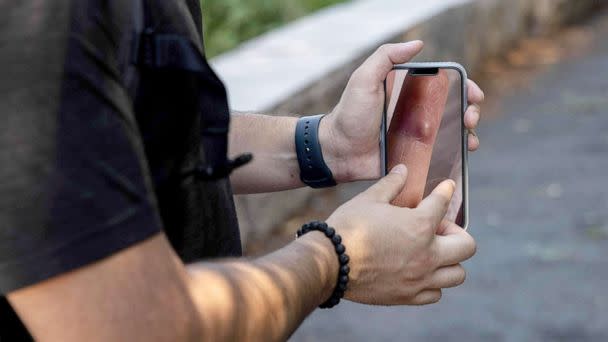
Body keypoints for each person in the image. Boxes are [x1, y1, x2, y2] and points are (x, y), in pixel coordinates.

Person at [0, 1, 484, 340]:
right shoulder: (44, 20)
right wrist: (337, 256)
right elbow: (137, 328)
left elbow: (136, 135)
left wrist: (329, 145)